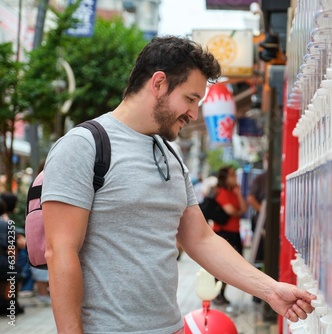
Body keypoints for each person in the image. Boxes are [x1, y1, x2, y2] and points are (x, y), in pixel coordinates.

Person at [41, 35, 316, 334]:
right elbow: (60, 251)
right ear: (158, 83)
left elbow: (201, 239)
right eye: (190, 98)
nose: (194, 113)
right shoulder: (84, 146)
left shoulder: (170, 152)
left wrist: (270, 290)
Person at [211, 165, 247, 305]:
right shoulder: (221, 192)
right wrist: (237, 212)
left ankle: (222, 293)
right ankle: (217, 293)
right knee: (221, 265)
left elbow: (243, 209)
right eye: (232, 175)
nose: (235, 178)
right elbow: (231, 211)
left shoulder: (233, 192)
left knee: (231, 265)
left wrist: (238, 193)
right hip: (222, 233)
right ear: (225, 177)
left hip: (234, 232)